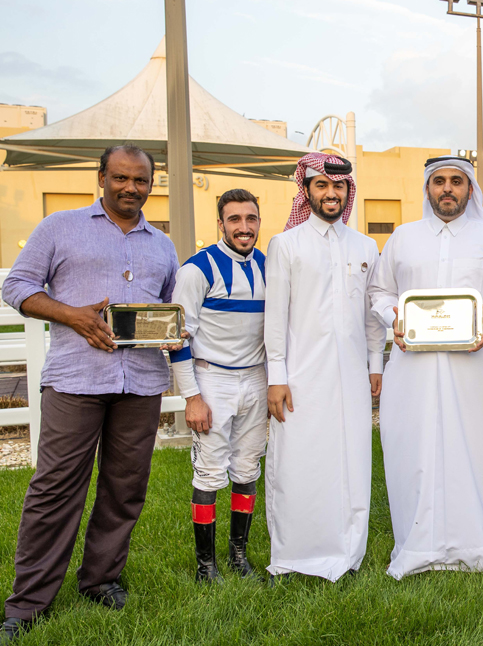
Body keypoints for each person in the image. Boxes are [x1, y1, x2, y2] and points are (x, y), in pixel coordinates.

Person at [1, 145, 179, 641]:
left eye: (140, 180)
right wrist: (72, 314)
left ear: (151, 183)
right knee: (55, 489)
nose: (130, 188)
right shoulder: (60, 227)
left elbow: (165, 306)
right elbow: (16, 286)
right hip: (76, 380)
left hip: (140, 382)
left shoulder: (162, 245)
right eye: (120, 178)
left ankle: (100, 580)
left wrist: (170, 328)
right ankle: (27, 604)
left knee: (125, 489)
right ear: (101, 177)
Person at [368, 155, 483, 579]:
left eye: (456, 181)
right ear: (427, 189)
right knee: (415, 451)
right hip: (413, 369)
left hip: (477, 368)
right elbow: (379, 290)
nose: (447, 189)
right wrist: (393, 317)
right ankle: (418, 547)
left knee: (478, 450)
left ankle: (480, 548)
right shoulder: (403, 237)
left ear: (470, 189)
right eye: (439, 182)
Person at [263, 153, 384, 583]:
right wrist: (276, 378)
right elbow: (274, 318)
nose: (331, 194)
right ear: (307, 190)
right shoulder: (286, 244)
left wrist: (375, 365)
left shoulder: (366, 246)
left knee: (351, 458)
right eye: (321, 186)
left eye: (339, 187)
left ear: (348, 192)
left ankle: (348, 549)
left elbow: (372, 316)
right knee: (299, 460)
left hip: (351, 374)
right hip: (300, 376)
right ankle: (295, 553)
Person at [169, 189, 267, 583]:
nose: (244, 227)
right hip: (213, 379)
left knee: (247, 467)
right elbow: (177, 337)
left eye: (251, 218)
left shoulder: (268, 264)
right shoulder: (197, 270)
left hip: (257, 377)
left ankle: (238, 555)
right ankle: (205, 566)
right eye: (235, 219)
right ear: (220, 224)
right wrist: (192, 397)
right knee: (210, 472)